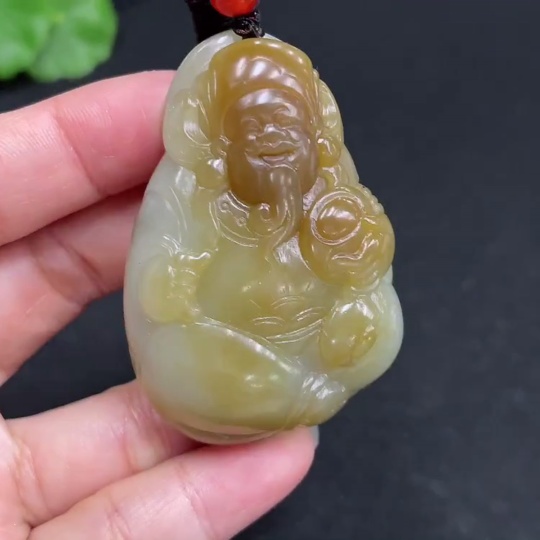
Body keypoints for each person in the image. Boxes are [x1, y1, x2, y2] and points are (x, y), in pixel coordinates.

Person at [0, 71, 318, 540]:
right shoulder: (202, 205)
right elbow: (163, 292)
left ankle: (297, 383)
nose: (272, 138)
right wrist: (181, 277)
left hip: (309, 336)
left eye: (285, 124)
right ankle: (287, 387)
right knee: (184, 354)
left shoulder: (326, 212)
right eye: (254, 128)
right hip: (231, 357)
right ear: (224, 147)